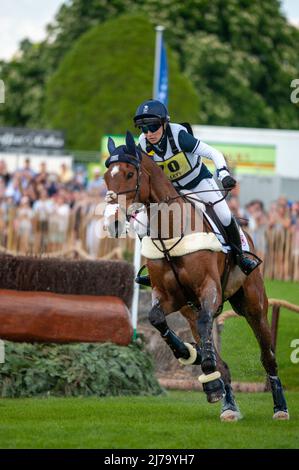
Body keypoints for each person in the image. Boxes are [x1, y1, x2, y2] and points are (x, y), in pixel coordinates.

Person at [133, 99, 259, 284]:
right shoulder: (143, 144)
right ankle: (155, 267)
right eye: (144, 129)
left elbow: (214, 153)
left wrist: (223, 173)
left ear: (164, 123)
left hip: (198, 182)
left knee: (224, 215)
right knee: (140, 224)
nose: (149, 133)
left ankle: (241, 257)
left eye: (153, 126)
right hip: (172, 190)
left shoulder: (179, 136)